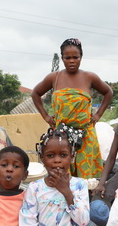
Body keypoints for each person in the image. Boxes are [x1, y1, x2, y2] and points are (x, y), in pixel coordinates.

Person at [31, 38, 113, 179]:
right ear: (62, 58)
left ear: (81, 57)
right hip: (61, 136)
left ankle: (87, 199)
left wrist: (98, 115)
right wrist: (46, 116)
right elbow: (35, 93)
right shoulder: (54, 78)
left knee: (87, 177)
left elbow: (108, 92)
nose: (72, 61)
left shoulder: (89, 77)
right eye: (67, 57)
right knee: (62, 172)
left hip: (85, 136)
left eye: (75, 57)